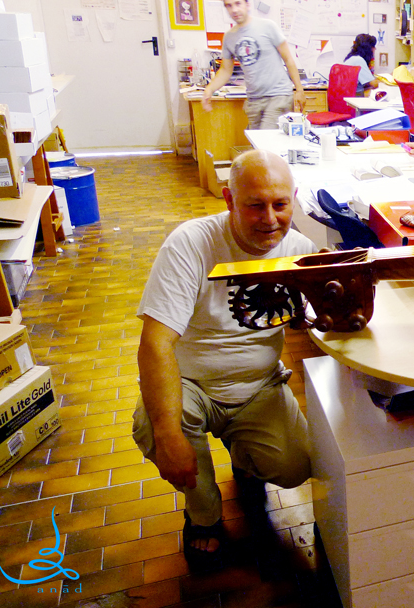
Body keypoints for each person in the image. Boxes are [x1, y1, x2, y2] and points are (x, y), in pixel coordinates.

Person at [132, 150, 318, 571]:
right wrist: (168, 434)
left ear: (293, 199)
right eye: (255, 205)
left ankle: (244, 458)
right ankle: (204, 517)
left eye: (280, 204)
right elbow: (155, 343)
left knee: (296, 466)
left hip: (259, 384)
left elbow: (309, 318)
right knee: (157, 429)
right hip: (190, 384)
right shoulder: (191, 244)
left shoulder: (300, 250)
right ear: (229, 199)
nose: (270, 218)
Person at [202, 0, 306, 130]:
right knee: (255, 140)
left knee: (266, 141)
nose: (234, 9)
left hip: (278, 96)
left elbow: (288, 59)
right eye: (229, 5)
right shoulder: (229, 37)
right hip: (254, 100)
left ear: (247, 4)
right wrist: (209, 90)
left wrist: (299, 90)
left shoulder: (267, 26)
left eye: (238, 3)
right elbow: (225, 70)